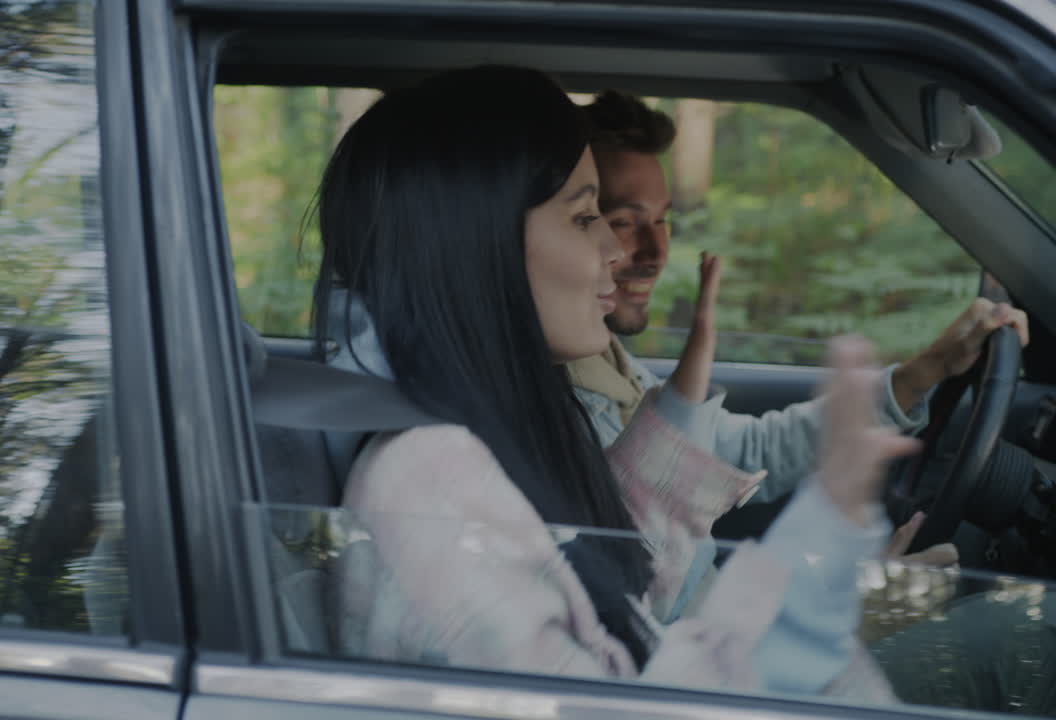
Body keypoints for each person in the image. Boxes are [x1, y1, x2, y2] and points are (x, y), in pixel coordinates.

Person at [314, 65, 912, 701]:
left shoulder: (509, 421)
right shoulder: (430, 489)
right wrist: (828, 539)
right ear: (477, 246)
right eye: (583, 218)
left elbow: (612, 579)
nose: (614, 249)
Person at [569, 89, 1029, 552]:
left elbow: (749, 454)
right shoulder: (557, 404)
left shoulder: (607, 361)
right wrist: (871, 610)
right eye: (623, 221)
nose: (655, 253)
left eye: (663, 222)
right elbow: (639, 600)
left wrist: (923, 372)